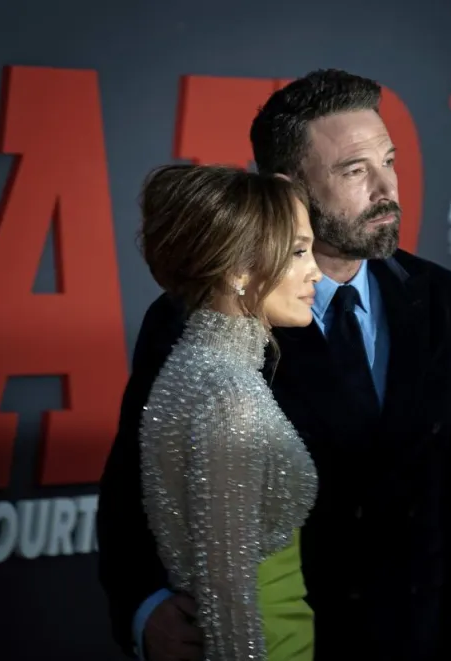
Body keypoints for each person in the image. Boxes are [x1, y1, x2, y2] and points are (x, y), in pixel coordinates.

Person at [98, 69, 451, 661]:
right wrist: (145, 609)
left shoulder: (441, 298)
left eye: (389, 161)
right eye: (355, 171)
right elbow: (137, 486)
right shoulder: (199, 317)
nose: (387, 187)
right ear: (291, 188)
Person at [134, 163, 323, 661]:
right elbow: (228, 601)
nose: (316, 271)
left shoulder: (190, 369)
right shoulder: (229, 397)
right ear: (239, 270)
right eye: (298, 252)